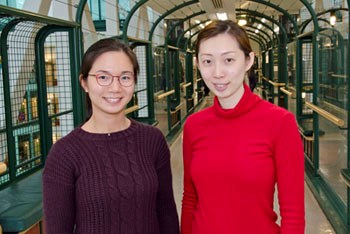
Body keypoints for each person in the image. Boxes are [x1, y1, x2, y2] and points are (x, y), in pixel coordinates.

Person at [43, 38, 179, 234]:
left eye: (125, 77)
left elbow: (166, 212)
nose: (115, 88)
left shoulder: (152, 140)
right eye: (103, 77)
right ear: (84, 82)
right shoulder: (65, 153)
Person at [181, 20, 305, 234]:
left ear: (248, 60)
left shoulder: (279, 123)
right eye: (208, 61)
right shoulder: (194, 125)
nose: (218, 73)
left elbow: (293, 212)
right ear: (198, 64)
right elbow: (190, 198)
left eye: (228, 59)